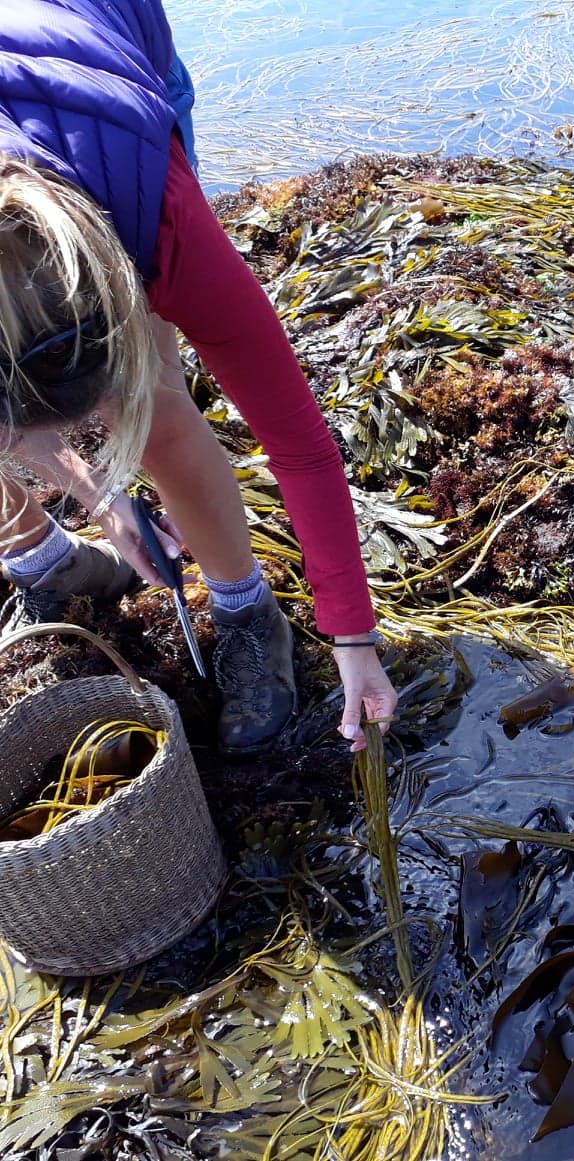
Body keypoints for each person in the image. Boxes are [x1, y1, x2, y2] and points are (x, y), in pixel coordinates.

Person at [0, 0, 397, 753]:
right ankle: (48, 559)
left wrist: (353, 636)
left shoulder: (163, 224)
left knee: (153, 415)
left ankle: (248, 612)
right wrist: (99, 496)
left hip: (109, 80)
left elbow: (302, 446)